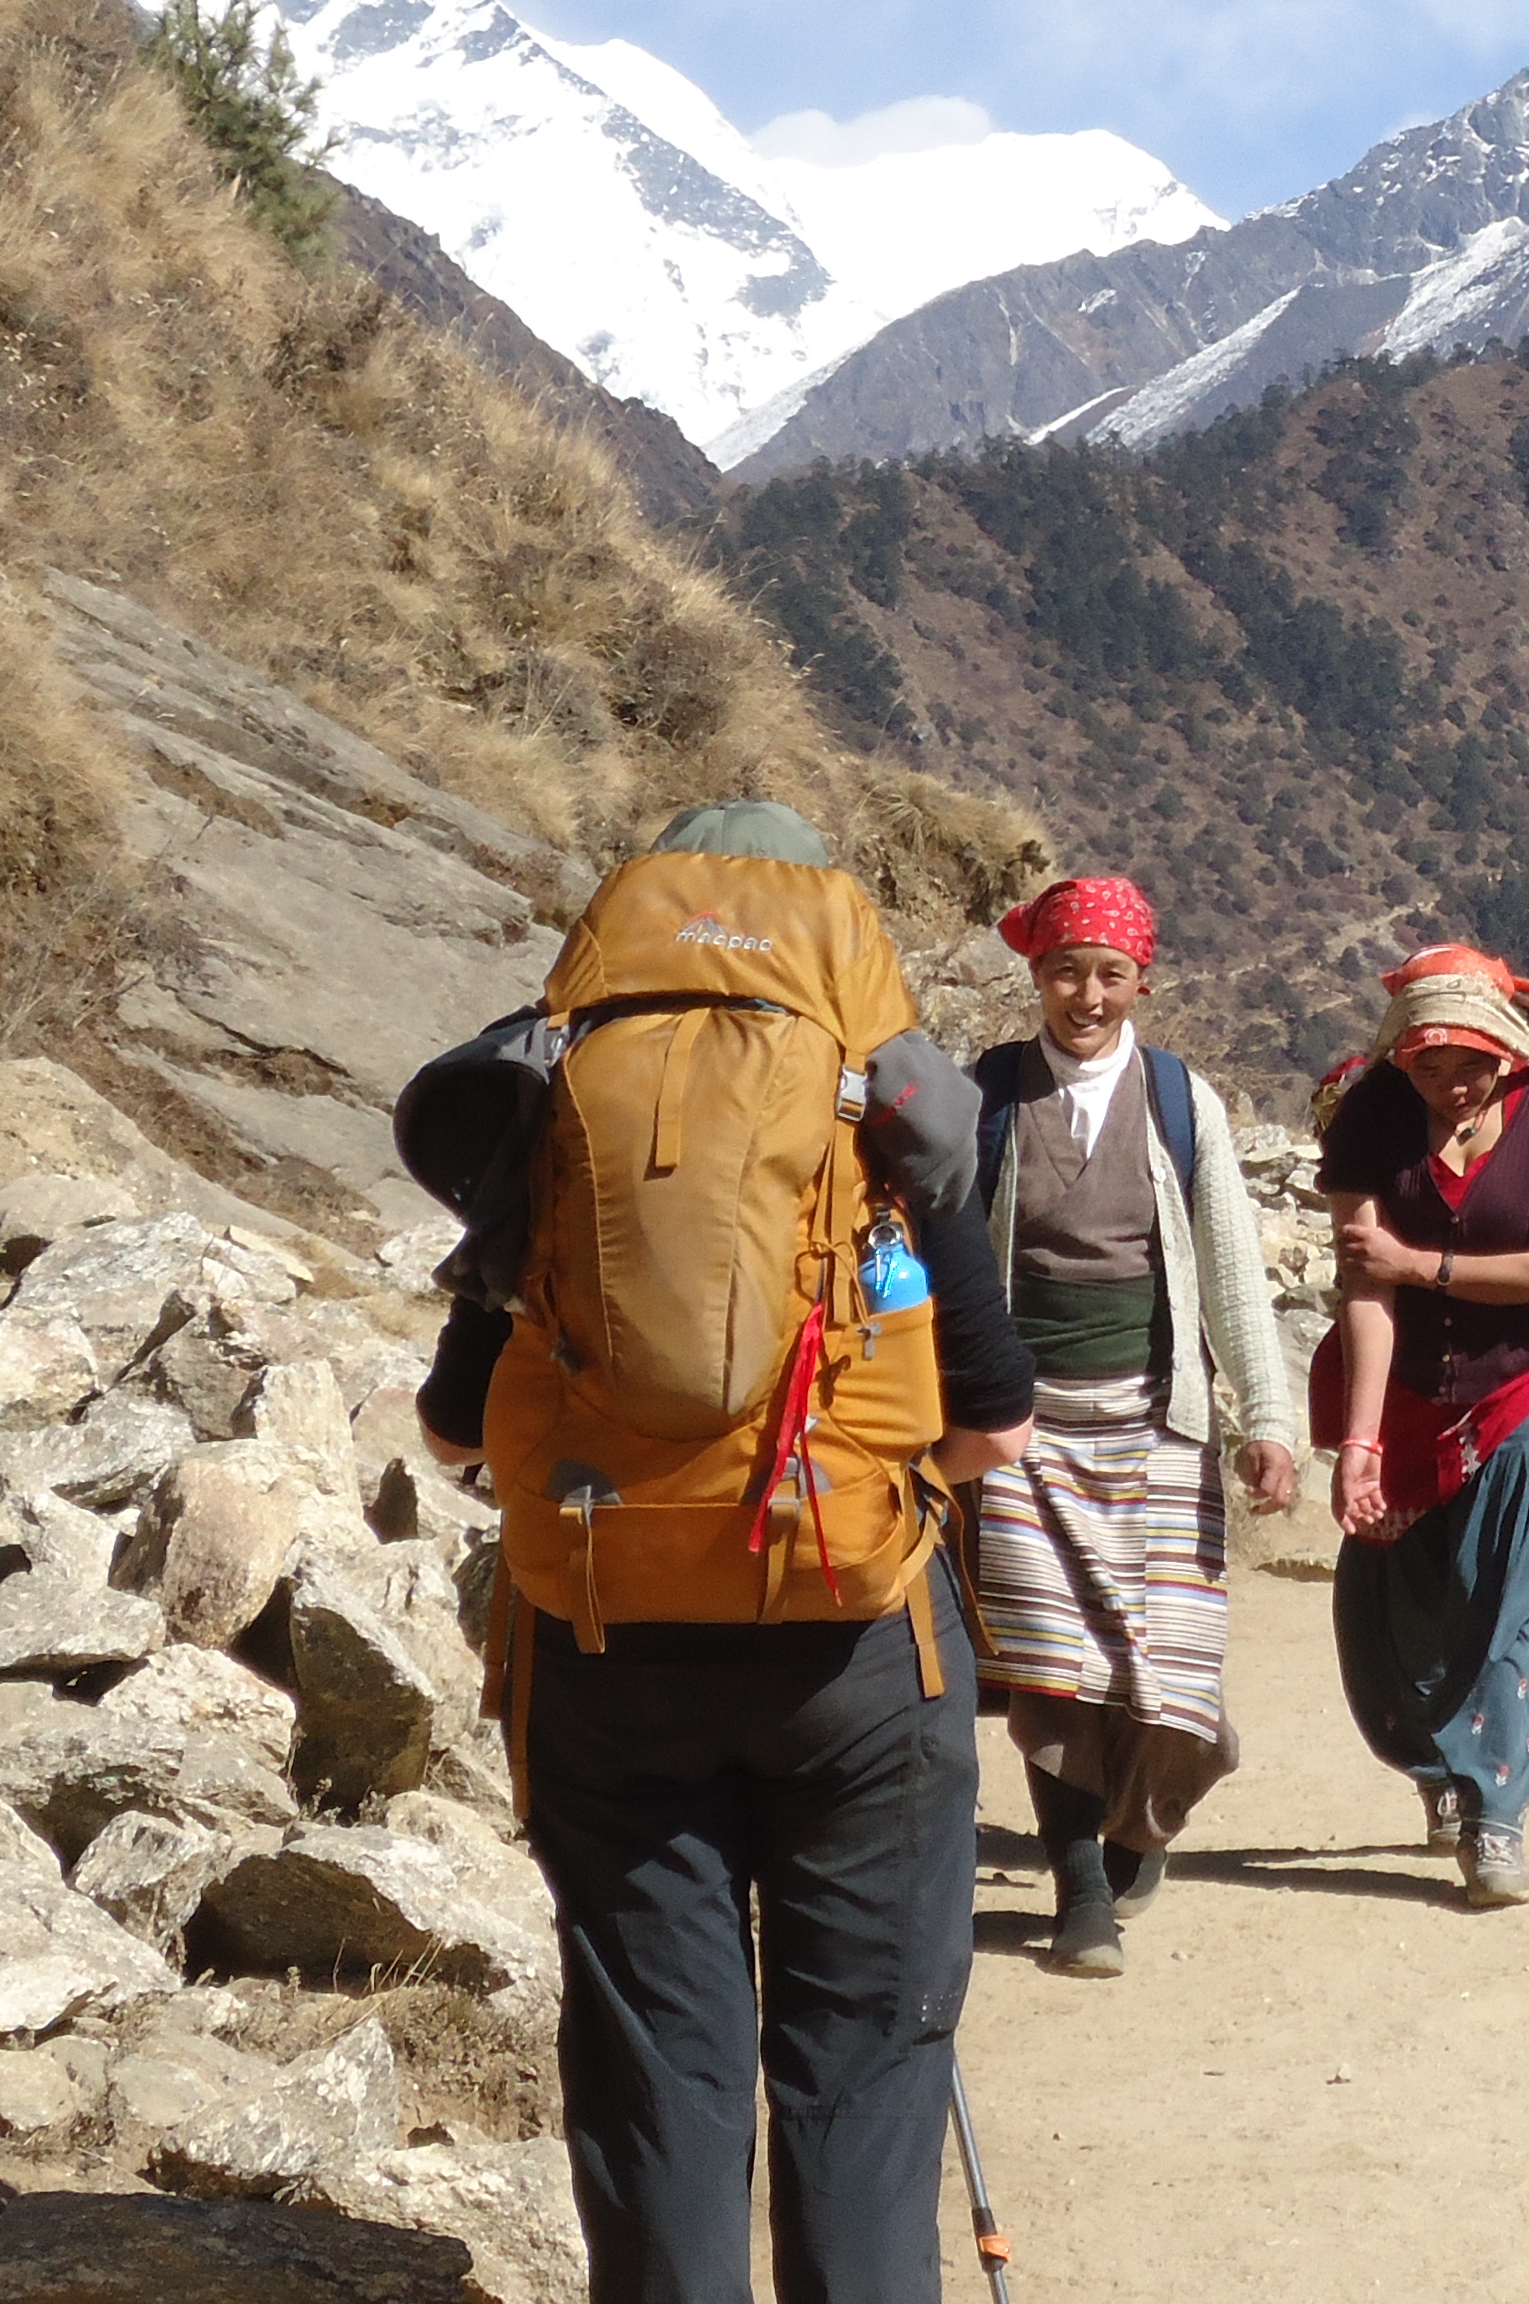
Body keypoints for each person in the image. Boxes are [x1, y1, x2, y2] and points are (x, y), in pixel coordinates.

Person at [403, 801, 1033, 2304]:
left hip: (607, 1647)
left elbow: (453, 1436)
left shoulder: (560, 1105)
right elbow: (995, 1426)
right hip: (856, 1653)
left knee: (657, 2062)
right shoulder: (884, 1118)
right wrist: (847, 1484)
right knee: (864, 2062)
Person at [952, 872, 1299, 1977]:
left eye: (1109, 975)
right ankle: (1080, 1888)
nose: (1087, 997)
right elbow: (949, 1257)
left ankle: (1140, 1830)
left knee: (1170, 1681)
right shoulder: (988, 1097)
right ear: (1036, 976)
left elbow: (1231, 1274)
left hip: (1158, 1426)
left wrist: (1268, 1418)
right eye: (1066, 972)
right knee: (1055, 1667)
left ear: (1143, 981)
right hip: (1024, 1434)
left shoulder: (1182, 1101)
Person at [1316, 942, 1529, 1904]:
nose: (1451, 1085)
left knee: (1510, 1591)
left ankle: (1497, 1815)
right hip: (1405, 1383)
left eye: (1471, 1064)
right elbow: (1365, 1284)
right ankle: (1436, 1763)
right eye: (1429, 1065)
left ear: (1505, 1048)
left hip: (1521, 1381)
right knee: (1391, 1595)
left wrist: (1422, 1268)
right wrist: (1360, 1443)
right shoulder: (1370, 1114)